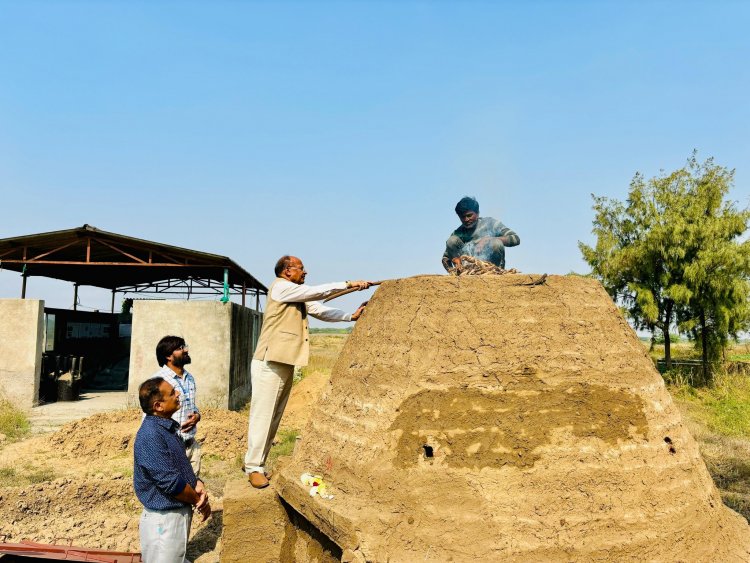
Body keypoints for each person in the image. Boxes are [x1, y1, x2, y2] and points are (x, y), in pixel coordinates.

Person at [243, 255, 372, 489]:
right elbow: (317, 292)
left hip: (284, 361)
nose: (305, 272)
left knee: (274, 415)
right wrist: (349, 284)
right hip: (269, 361)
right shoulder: (282, 288)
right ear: (286, 271)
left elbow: (320, 309)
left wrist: (349, 317)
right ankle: (253, 467)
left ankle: (258, 463)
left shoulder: (296, 294)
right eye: (301, 268)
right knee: (262, 415)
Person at [134, 377, 211, 563]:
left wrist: (196, 483)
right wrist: (197, 500)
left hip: (173, 517)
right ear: (159, 406)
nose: (178, 394)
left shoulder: (166, 428)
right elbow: (171, 483)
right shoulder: (151, 436)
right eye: (172, 393)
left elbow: (179, 465)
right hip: (164, 522)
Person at [152, 336, 203, 477]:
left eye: (185, 346)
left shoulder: (189, 378)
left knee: (193, 490)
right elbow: (150, 418)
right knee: (175, 492)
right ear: (168, 356)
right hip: (170, 449)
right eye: (180, 348)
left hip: (190, 445)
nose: (185, 350)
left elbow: (191, 405)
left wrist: (197, 416)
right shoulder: (158, 381)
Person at [442, 196, 520, 271]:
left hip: (490, 269)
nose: (466, 219)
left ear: (478, 213)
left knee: (496, 243)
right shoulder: (458, 233)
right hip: (467, 270)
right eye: (463, 217)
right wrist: (452, 269)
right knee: (451, 240)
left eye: (469, 215)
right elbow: (445, 258)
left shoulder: (490, 223)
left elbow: (515, 238)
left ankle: (496, 274)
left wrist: (488, 239)